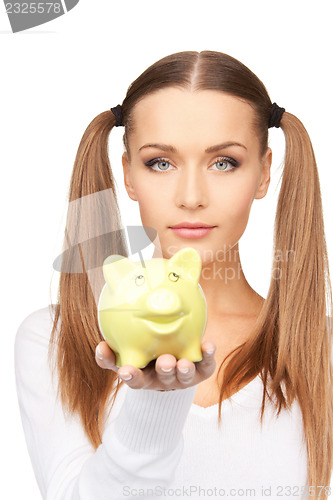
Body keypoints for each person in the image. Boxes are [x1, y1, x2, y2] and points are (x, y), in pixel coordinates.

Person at [14, 50, 333, 500]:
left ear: (264, 174)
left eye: (224, 162)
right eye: (160, 163)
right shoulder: (53, 338)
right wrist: (156, 399)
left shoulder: (323, 352)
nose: (190, 197)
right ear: (127, 175)